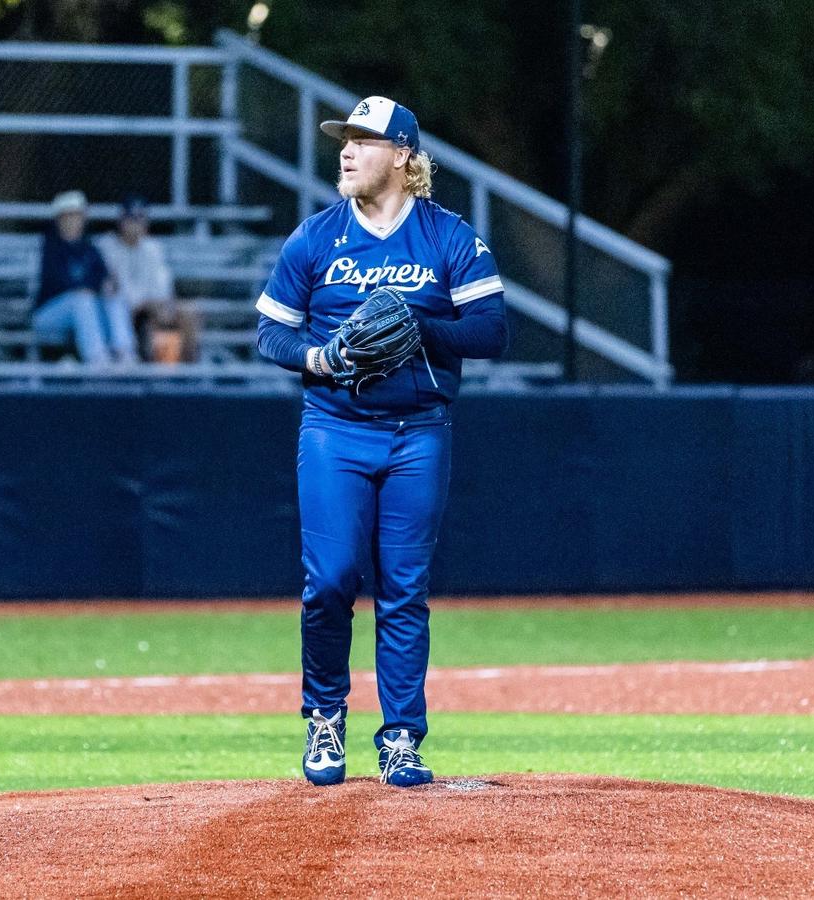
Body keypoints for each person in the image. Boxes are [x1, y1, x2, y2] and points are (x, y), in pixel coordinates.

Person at [254, 96, 509, 787]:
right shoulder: (315, 237)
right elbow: (272, 331)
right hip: (335, 429)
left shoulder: (449, 237)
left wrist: (424, 329)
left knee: (404, 588)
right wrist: (314, 359)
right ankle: (325, 717)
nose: (346, 151)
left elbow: (491, 331)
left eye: (363, 140)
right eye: (345, 140)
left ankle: (401, 737)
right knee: (330, 581)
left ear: (402, 156)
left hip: (418, 432)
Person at [33, 190, 135, 365]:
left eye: (77, 215)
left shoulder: (90, 248)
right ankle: (97, 360)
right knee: (81, 299)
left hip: (87, 311)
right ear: (59, 218)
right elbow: (57, 283)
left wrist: (107, 286)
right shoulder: (50, 247)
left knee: (114, 297)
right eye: (69, 215)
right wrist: (89, 288)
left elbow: (103, 279)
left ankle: (125, 354)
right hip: (49, 314)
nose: (74, 220)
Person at [94, 195, 200, 363]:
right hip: (121, 310)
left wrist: (155, 304)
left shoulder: (153, 248)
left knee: (188, 311)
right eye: (131, 219)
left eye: (140, 219)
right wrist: (146, 303)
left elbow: (162, 286)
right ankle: (155, 371)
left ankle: (190, 371)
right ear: (121, 221)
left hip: (151, 306)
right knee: (148, 315)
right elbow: (114, 289)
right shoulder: (107, 247)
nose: (135, 225)